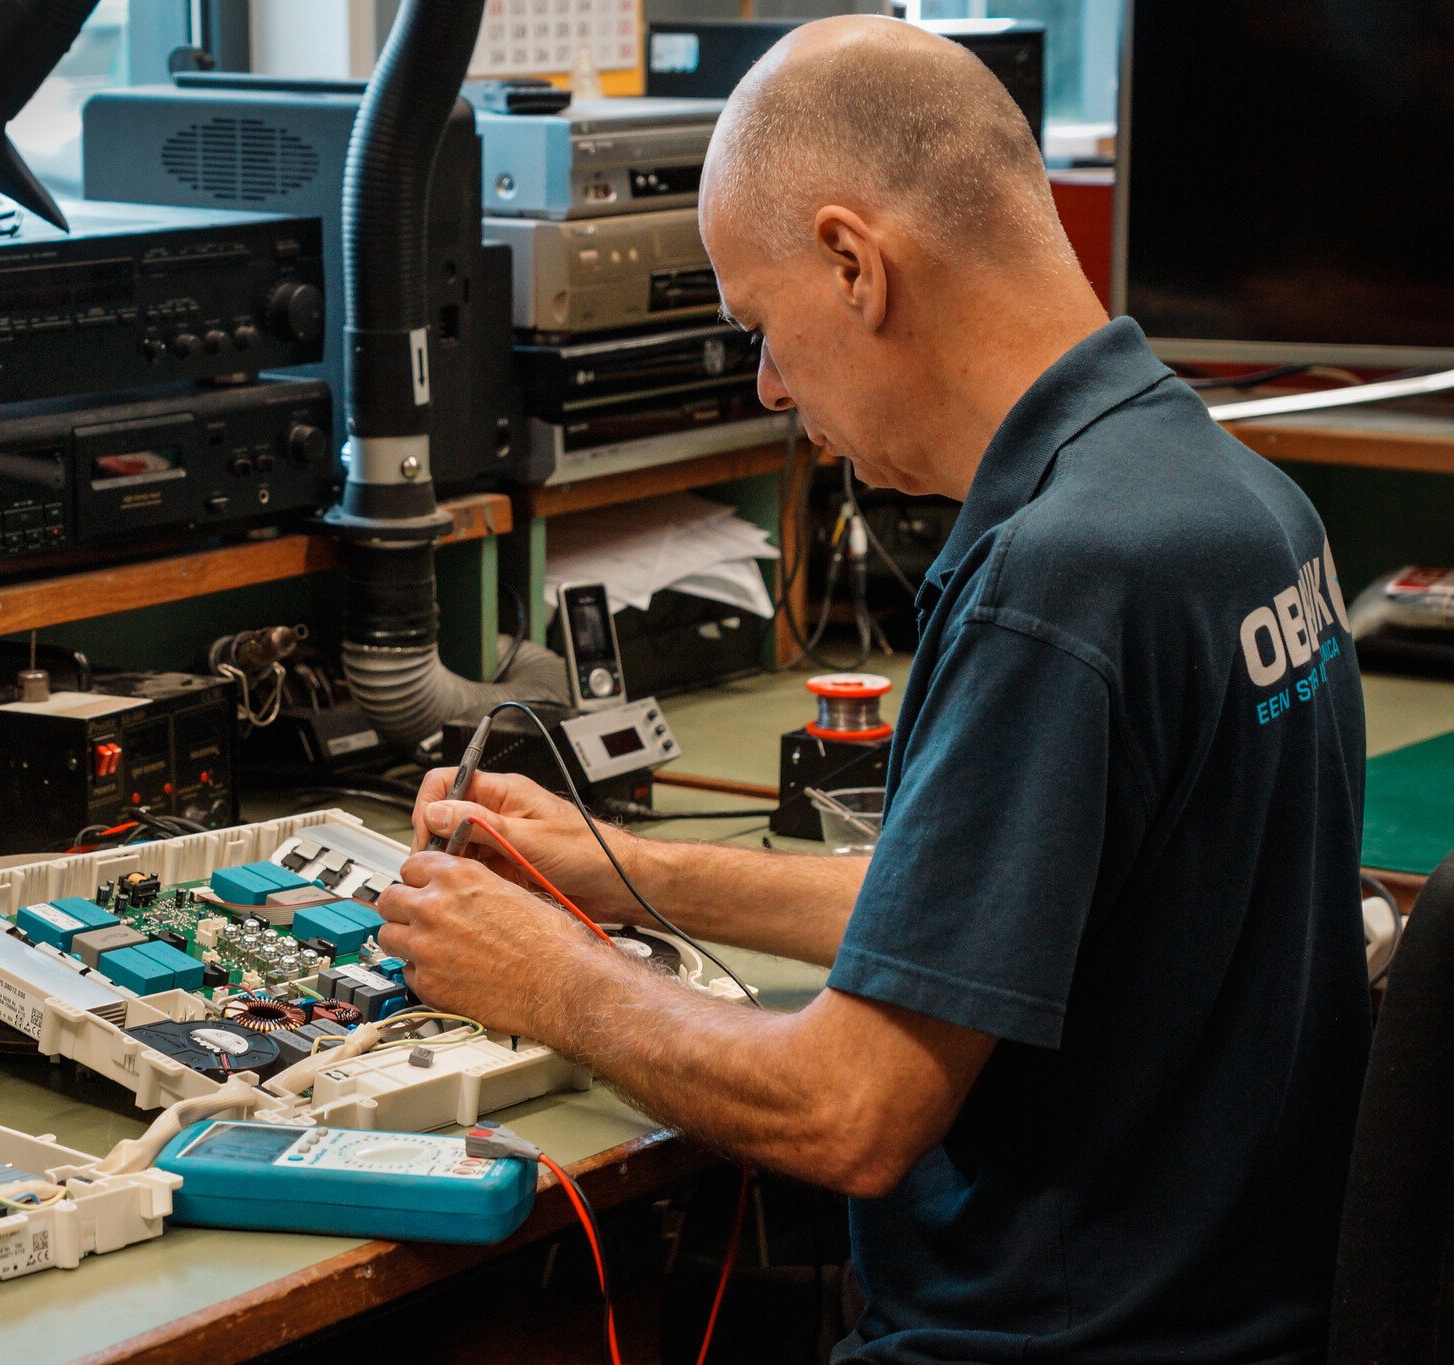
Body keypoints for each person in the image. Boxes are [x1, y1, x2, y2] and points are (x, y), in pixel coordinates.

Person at [375, 15, 1370, 1362]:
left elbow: (853, 1108)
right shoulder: (1237, 503)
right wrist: (613, 870)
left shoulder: (1057, 584)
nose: (773, 384)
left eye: (761, 326)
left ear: (855, 263)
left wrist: (556, 978)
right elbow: (980, 915)